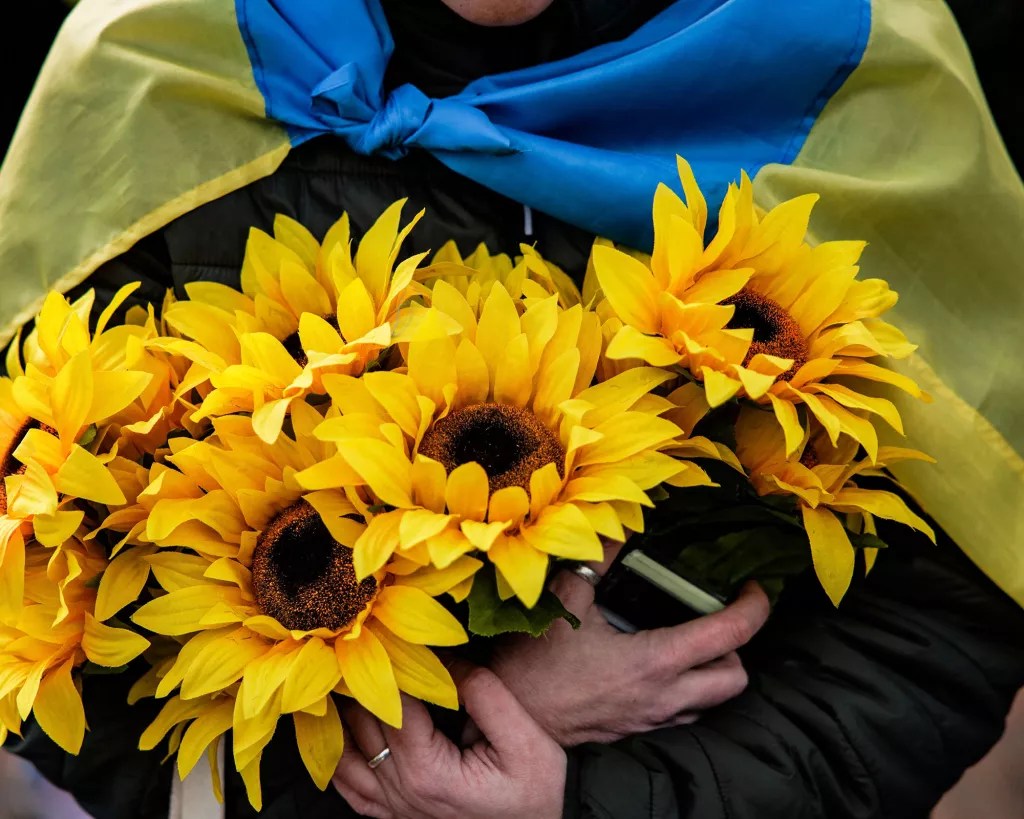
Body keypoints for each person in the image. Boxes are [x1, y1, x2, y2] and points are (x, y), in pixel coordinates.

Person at [2, 1, 1023, 818]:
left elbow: (943, 614)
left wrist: (587, 802)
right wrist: (427, 744)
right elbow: (23, 577)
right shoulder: (159, 56)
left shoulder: (849, 64)